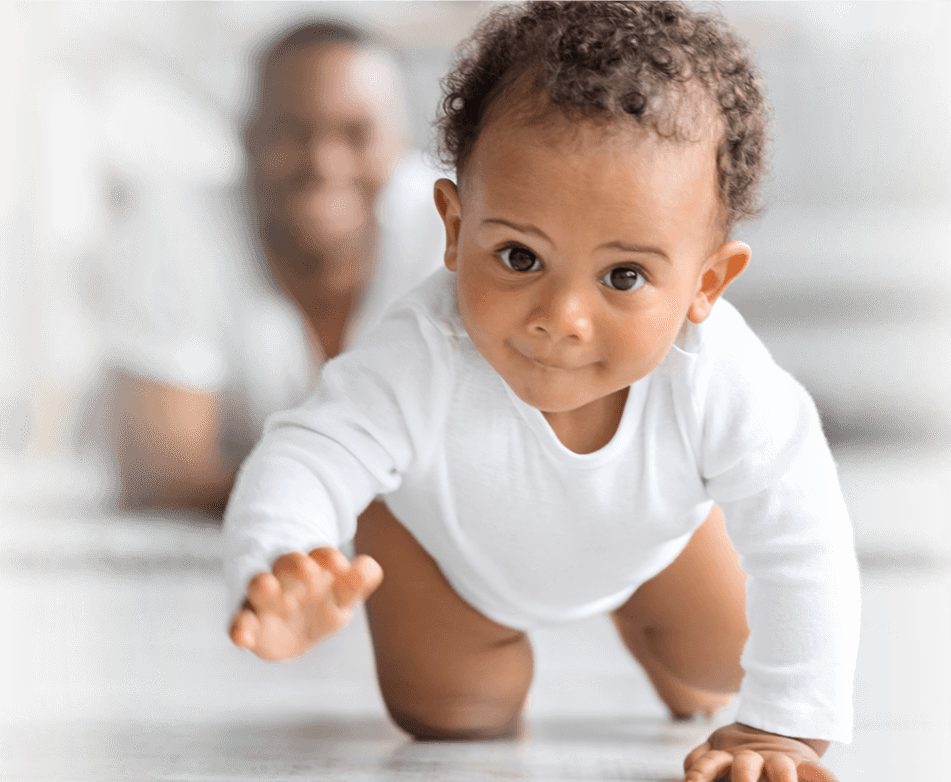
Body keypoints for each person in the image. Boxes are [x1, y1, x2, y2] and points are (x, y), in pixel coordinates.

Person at [222, 2, 861, 780]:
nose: (560, 319)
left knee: (723, 665)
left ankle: (645, 614)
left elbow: (806, 538)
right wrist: (281, 559)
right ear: (455, 229)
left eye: (623, 276)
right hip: (452, 559)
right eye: (520, 257)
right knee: (453, 717)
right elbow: (308, 453)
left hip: (647, 544)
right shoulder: (423, 350)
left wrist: (785, 727)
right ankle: (459, 610)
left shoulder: (719, 375)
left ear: (707, 283)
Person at [106, 20, 444, 515]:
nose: (323, 164)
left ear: (401, 143)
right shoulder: (177, 225)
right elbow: (163, 474)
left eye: (356, 134)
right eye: (291, 133)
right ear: (246, 138)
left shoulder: (455, 226)